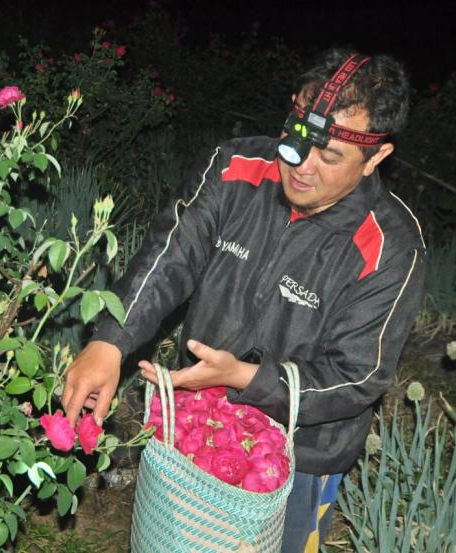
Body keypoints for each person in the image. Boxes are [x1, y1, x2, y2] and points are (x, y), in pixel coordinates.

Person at [62, 48, 425, 551]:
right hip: (196, 418)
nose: (300, 165)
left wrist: (248, 379)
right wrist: (110, 341)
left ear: (376, 157)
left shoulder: (390, 246)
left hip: (300, 454)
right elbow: (173, 254)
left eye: (330, 155)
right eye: (296, 139)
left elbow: (360, 374)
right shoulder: (237, 165)